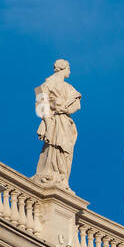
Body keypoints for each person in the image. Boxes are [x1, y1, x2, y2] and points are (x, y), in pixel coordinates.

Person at [33, 60, 82, 188]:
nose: (69, 72)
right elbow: (40, 107)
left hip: (65, 123)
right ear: (63, 68)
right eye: (69, 68)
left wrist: (65, 109)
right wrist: (48, 125)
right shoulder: (45, 85)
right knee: (52, 148)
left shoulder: (70, 88)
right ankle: (50, 175)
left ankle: (61, 177)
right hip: (53, 121)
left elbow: (76, 105)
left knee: (64, 152)